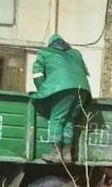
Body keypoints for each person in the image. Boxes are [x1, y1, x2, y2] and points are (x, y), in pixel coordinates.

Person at [31, 34, 92, 163]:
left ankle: (56, 153)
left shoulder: (45, 53)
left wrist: (44, 92)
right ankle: (67, 154)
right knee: (69, 119)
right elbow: (84, 72)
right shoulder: (75, 54)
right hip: (82, 89)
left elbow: (37, 75)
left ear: (50, 45)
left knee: (57, 119)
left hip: (62, 89)